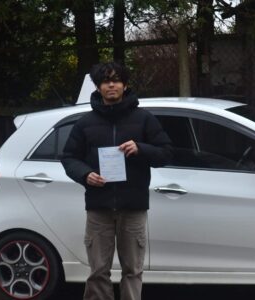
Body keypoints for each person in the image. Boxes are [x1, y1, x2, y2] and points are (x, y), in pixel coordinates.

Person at [62, 62, 172, 300]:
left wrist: (140, 148)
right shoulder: (85, 123)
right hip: (98, 208)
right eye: (105, 81)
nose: (111, 85)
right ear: (99, 87)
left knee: (133, 270)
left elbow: (166, 153)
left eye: (116, 80)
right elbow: (69, 157)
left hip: (133, 208)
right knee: (98, 271)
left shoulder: (144, 119)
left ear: (125, 85)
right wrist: (84, 174)